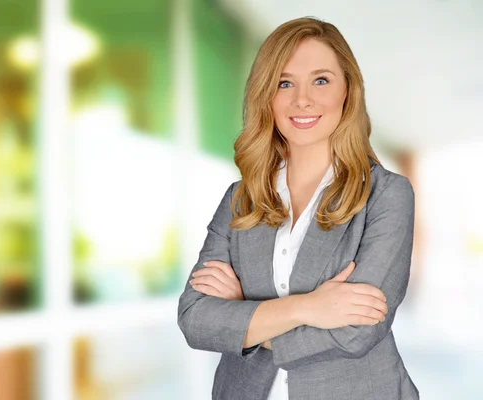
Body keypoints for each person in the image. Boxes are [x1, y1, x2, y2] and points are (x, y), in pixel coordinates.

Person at [177, 17, 420, 400]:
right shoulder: (240, 198)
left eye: (320, 80)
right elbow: (195, 320)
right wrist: (309, 307)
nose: (302, 99)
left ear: (348, 91)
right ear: (266, 95)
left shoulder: (387, 195)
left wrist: (244, 317)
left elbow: (356, 332)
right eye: (284, 83)